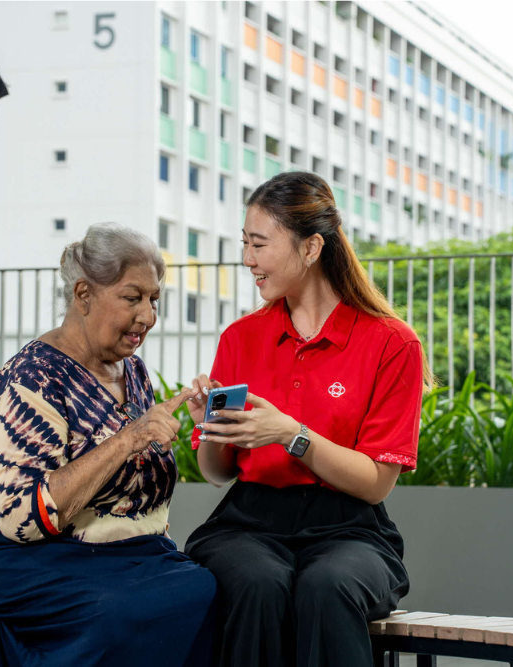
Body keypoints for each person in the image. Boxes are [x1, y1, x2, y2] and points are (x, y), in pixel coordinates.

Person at [0, 223, 216, 667]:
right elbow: (21, 520)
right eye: (133, 297)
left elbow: (143, 493)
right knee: (112, 612)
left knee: (204, 589)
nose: (147, 316)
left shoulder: (134, 373)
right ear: (84, 294)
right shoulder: (34, 376)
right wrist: (131, 438)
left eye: (154, 300)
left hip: (118, 556)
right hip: (16, 553)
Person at [184, 171, 425, 666]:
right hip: (246, 522)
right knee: (257, 583)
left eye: (259, 244)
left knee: (327, 585)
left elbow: (376, 484)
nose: (247, 259)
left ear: (312, 247)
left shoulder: (393, 343)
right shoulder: (240, 338)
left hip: (350, 528)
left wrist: (292, 434)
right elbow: (217, 472)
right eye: (244, 243)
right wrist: (211, 427)